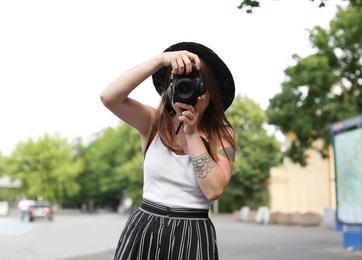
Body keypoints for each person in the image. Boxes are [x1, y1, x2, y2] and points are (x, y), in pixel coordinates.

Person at [100, 41, 237, 260]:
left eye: (196, 83)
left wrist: (192, 134)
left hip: (193, 233)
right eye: (178, 82)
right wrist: (160, 60)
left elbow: (213, 190)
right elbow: (109, 97)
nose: (187, 89)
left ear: (210, 91)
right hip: (145, 229)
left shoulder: (222, 136)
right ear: (169, 89)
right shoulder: (153, 122)